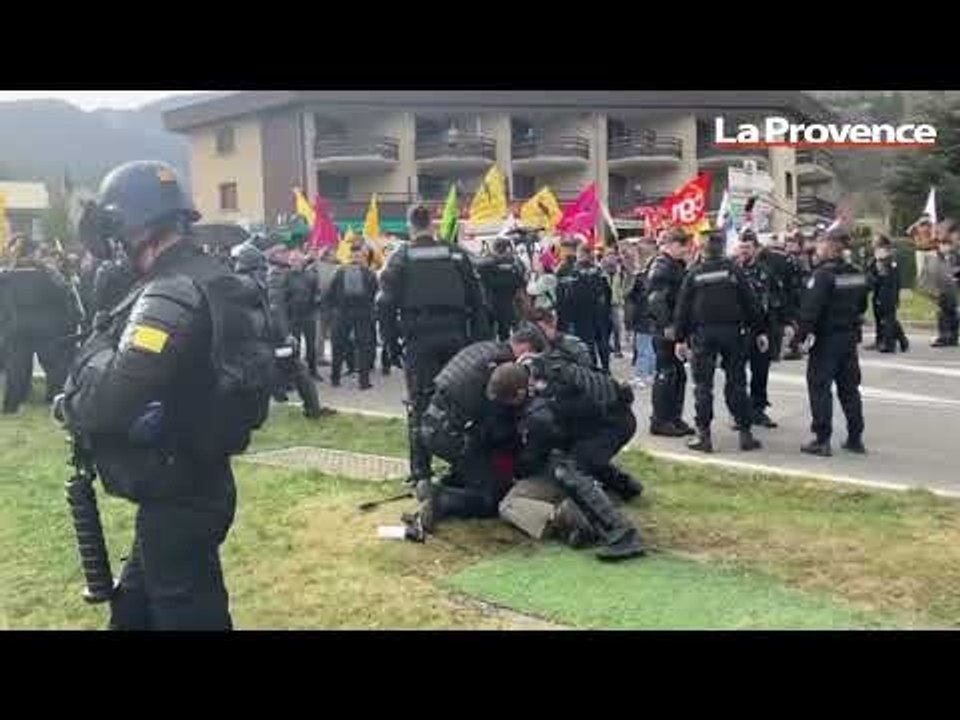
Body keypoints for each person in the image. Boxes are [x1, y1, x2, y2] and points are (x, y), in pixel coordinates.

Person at [59, 160, 276, 629]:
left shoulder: (171, 292)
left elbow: (113, 399)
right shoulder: (210, 276)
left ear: (137, 227)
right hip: (192, 484)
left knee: (188, 612)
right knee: (133, 611)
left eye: (117, 232)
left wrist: (82, 376)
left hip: (181, 495)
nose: (114, 246)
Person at [378, 204, 489, 484]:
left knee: (420, 403)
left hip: (419, 337)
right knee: (461, 401)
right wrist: (479, 342)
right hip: (456, 335)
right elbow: (478, 300)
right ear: (432, 224)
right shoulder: (456, 253)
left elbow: (384, 304)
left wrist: (391, 344)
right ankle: (462, 467)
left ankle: (421, 472)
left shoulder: (400, 257)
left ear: (410, 225)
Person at [511, 348, 645, 560]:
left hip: (612, 425)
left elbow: (546, 433)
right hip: (615, 417)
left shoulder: (547, 390)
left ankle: (623, 534)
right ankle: (627, 486)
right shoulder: (560, 363)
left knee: (568, 470)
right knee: (581, 457)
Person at [413, 328, 544, 531]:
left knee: (478, 467)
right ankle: (440, 500)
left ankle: (440, 486)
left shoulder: (484, 348)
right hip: (452, 435)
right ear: (526, 348)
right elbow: (496, 426)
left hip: (433, 425)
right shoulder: (503, 370)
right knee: (491, 496)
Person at [673, 232, 765, 453]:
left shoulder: (694, 274)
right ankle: (745, 433)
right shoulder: (734, 271)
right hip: (733, 332)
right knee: (737, 383)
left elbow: (682, 308)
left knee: (703, 386)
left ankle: (704, 435)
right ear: (722, 249)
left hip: (704, 334)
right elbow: (750, 302)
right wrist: (760, 330)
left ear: (702, 251)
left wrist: (680, 338)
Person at [796, 228, 869, 457]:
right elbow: (862, 306)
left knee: (820, 388)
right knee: (849, 390)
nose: (817, 248)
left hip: (826, 340)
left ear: (830, 246)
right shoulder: (856, 273)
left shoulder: (822, 275)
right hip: (849, 338)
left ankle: (822, 439)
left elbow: (810, 310)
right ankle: (855, 437)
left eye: (820, 243)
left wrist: (800, 337)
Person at [0, 237, 80, 413]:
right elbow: (63, 294)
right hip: (46, 325)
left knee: (16, 366)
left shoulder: (7, 275)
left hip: (17, 324)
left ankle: (11, 404)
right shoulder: (47, 274)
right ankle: (54, 399)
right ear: (32, 253)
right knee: (53, 365)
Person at [266, 244, 326, 418]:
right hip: (286, 321)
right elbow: (278, 305)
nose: (289, 259)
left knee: (293, 354)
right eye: (285, 255)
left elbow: (315, 291)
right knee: (286, 355)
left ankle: (301, 383)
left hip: (303, 316)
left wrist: (315, 303)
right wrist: (285, 331)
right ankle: (283, 388)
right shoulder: (278, 274)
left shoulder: (305, 274)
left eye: (293, 257)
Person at [646, 228, 694, 437]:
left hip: (676, 326)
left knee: (678, 375)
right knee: (666, 374)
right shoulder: (662, 266)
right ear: (672, 244)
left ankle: (673, 417)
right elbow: (656, 300)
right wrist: (666, 324)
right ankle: (660, 420)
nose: (685, 250)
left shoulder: (675, 265)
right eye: (682, 246)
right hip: (665, 328)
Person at [735, 230, 778, 429]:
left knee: (760, 372)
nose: (744, 251)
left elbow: (775, 299)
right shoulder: (732, 270)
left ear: (756, 249)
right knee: (737, 374)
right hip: (738, 329)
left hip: (761, 329)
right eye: (741, 247)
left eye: (748, 247)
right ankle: (740, 413)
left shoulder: (766, 272)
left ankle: (758, 409)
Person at [326, 241, 378, 389]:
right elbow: (374, 292)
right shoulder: (369, 273)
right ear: (362, 256)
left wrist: (335, 308)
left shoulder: (340, 271)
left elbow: (330, 293)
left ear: (350, 256)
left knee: (338, 346)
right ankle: (364, 382)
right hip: (363, 314)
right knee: (363, 347)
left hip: (342, 313)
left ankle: (335, 378)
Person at [566, 243, 612, 371]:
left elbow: (570, 296)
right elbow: (608, 293)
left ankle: (593, 368)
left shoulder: (574, 272)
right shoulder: (599, 272)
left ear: (580, 254)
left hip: (582, 314)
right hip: (599, 312)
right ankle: (606, 368)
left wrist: (570, 315)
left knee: (588, 343)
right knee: (602, 342)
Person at [478, 236, 526, 342]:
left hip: (491, 304)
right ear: (506, 248)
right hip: (509, 305)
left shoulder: (487, 263)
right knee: (506, 334)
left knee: (490, 336)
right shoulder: (515, 263)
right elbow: (521, 280)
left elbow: (480, 273)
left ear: (494, 248)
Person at [866, 235, 908, 353]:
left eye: (875, 242)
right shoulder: (875, 257)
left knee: (888, 318)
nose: (873, 244)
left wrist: (895, 296)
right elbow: (872, 272)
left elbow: (892, 277)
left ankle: (889, 343)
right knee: (880, 316)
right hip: (878, 290)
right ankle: (882, 340)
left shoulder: (890, 257)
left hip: (888, 291)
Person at [287, 248, 320, 377]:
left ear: (302, 261)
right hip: (293, 316)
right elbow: (282, 297)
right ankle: (296, 373)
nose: (294, 262)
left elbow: (317, 292)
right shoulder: (286, 276)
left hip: (309, 315)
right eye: (292, 260)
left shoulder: (310, 275)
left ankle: (313, 371)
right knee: (295, 345)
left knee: (311, 345)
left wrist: (316, 301)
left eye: (297, 260)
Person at [626, 258, 655, 387]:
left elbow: (630, 296)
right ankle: (650, 375)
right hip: (654, 319)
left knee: (643, 348)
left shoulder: (640, 278)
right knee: (651, 348)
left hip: (642, 318)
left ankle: (641, 376)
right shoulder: (660, 279)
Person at [931, 222, 959, 348]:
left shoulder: (955, 256)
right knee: (943, 313)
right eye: (941, 245)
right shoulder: (939, 257)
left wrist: (955, 276)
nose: (942, 247)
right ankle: (944, 336)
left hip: (953, 289)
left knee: (951, 313)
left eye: (945, 245)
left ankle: (952, 337)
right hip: (942, 289)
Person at [603, 252, 627, 359]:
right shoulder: (602, 274)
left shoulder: (620, 274)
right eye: (609, 259)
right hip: (604, 304)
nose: (611, 261)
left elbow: (625, 286)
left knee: (617, 328)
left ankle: (617, 349)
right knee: (606, 327)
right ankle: (607, 347)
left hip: (616, 304)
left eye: (613, 259)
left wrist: (622, 298)